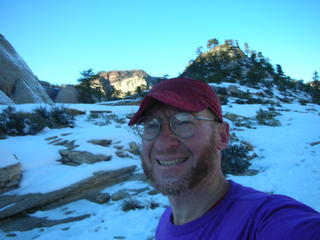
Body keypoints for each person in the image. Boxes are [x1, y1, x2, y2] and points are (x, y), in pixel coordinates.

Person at [128, 77, 320, 240]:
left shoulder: (264, 221)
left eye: (184, 122)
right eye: (151, 125)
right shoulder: (166, 221)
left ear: (222, 136)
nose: (163, 144)